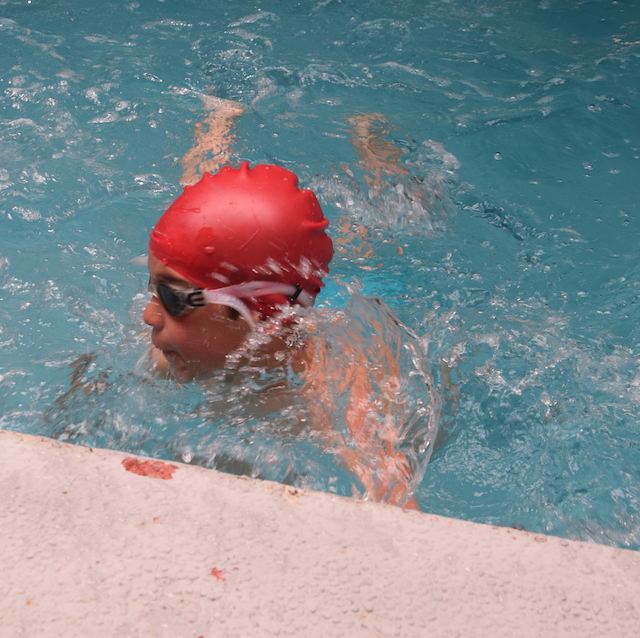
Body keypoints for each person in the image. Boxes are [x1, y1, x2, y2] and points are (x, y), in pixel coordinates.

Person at [137, 98, 436, 508]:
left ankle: (377, 150)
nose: (148, 315)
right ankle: (217, 125)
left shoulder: (334, 392)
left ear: (262, 317)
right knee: (203, 197)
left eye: (172, 298)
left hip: (380, 296)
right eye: (152, 288)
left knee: (387, 247)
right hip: (272, 285)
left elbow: (397, 507)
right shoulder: (171, 347)